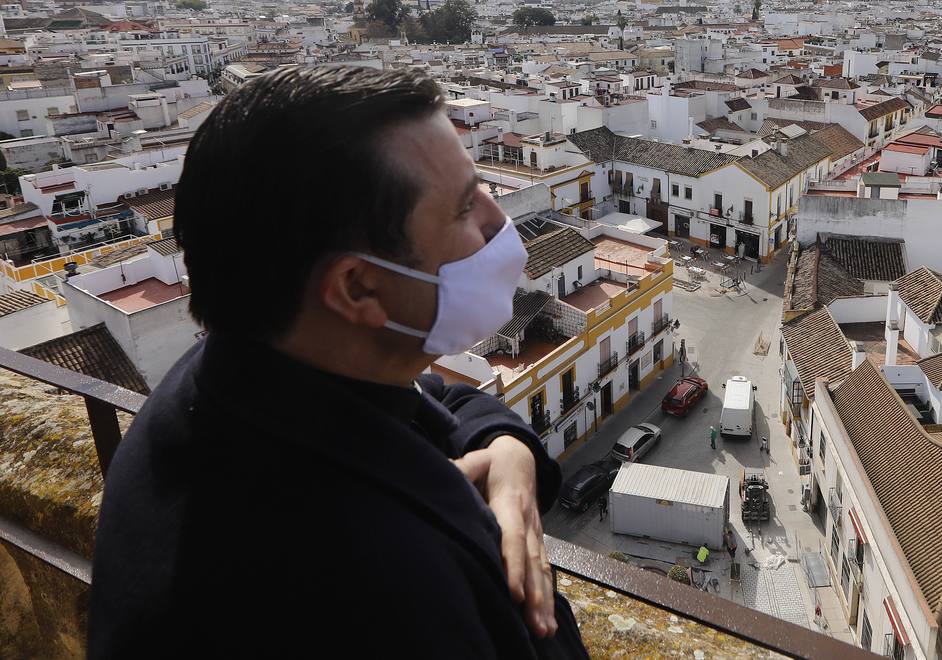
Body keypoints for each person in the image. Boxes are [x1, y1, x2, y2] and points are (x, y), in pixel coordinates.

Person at [87, 67, 588, 659]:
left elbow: (432, 397)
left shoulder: (227, 383)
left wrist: (509, 452)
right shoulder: (387, 589)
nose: (497, 221)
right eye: (462, 209)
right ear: (357, 290)